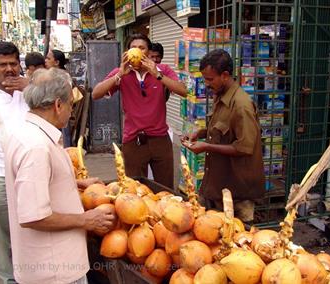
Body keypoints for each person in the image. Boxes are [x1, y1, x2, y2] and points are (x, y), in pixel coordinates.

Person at [3, 68, 116, 284]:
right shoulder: (36, 147)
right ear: (57, 105)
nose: (71, 112)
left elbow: (34, 185)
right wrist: (86, 220)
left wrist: (75, 182)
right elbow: (34, 215)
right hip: (54, 271)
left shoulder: (25, 133)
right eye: (70, 106)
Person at [92, 33, 187, 189]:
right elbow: (96, 94)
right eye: (133, 48)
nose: (137, 50)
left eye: (141, 47)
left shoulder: (162, 69)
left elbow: (183, 91)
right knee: (135, 189)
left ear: (148, 53)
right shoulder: (121, 73)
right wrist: (119, 75)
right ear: (127, 53)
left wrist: (157, 74)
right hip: (133, 141)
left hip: (160, 139)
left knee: (165, 190)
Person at [181, 49, 265, 222]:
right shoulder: (221, 96)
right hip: (218, 185)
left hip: (238, 193)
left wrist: (206, 147)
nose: (206, 83)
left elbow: (244, 147)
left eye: (210, 79)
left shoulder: (242, 105)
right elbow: (223, 129)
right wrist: (201, 133)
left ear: (225, 75)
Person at [0, 41, 29, 284]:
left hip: (31, 172)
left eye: (13, 63)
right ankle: (10, 280)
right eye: (2, 64)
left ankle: (32, 274)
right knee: (2, 232)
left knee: (31, 227)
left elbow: (65, 95)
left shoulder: (30, 88)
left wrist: (30, 86)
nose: (9, 69)